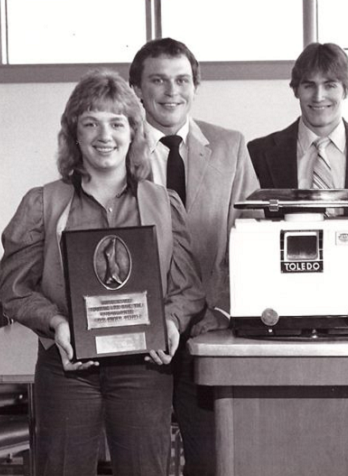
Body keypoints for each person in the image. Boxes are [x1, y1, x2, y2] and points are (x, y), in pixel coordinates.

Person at [0, 70, 206, 476]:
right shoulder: (43, 203)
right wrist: (56, 322)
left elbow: (189, 289)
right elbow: (12, 288)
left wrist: (169, 320)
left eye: (116, 123)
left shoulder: (165, 204)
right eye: (90, 123)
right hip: (67, 367)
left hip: (144, 369)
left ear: (134, 133)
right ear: (74, 135)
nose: (104, 135)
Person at [129, 38, 261, 476]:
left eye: (182, 80)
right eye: (159, 80)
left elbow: (253, 235)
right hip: (141, 334)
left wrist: (223, 309)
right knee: (142, 459)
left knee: (212, 460)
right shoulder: (117, 147)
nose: (172, 91)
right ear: (137, 89)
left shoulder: (229, 145)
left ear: (195, 86)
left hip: (212, 328)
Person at [247, 42, 348, 232]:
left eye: (330, 85)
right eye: (309, 85)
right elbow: (249, 229)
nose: (319, 97)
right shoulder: (258, 153)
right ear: (296, 90)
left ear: (345, 89)